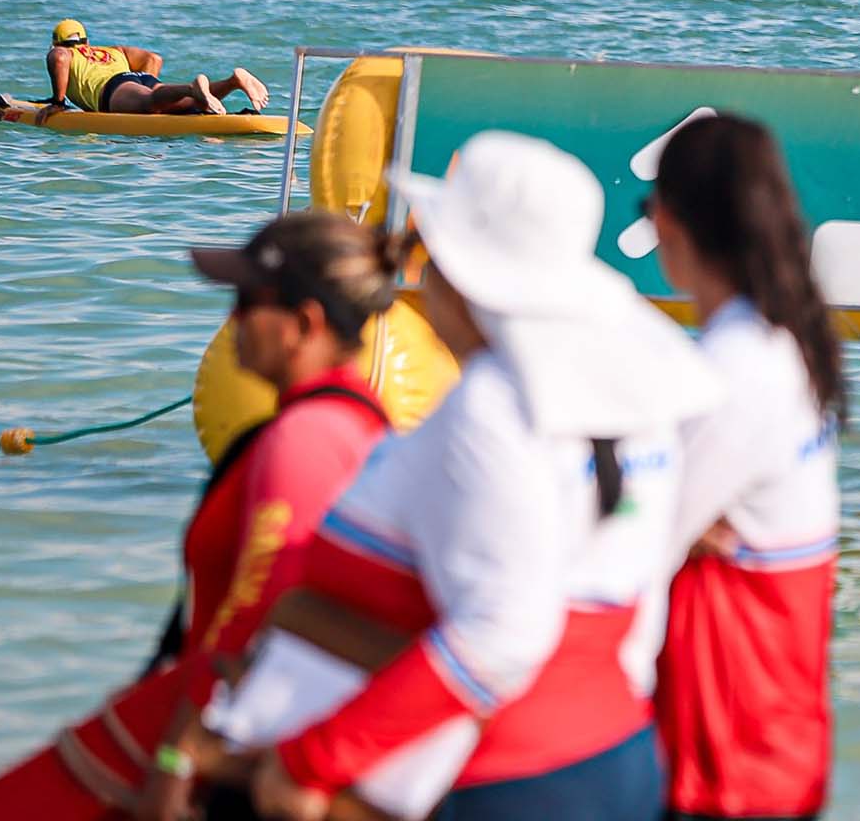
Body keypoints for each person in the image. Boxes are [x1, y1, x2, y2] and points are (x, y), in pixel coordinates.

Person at [208, 131, 721, 821]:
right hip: (612, 749)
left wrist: (315, 759)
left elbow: (504, 634)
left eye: (429, 257)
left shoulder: (493, 405)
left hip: (505, 780)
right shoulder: (631, 389)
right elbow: (633, 603)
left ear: (460, 274)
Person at [0, 212, 396, 821]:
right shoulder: (358, 423)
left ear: (305, 323)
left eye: (247, 302)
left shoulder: (304, 439)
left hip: (209, 739)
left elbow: (261, 614)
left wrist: (178, 758)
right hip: (227, 727)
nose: (231, 321)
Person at [644, 114, 845, 821]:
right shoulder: (787, 342)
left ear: (667, 222)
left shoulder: (731, 367)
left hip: (724, 745)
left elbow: (637, 546)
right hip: (777, 730)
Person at [38, 19, 271, 120]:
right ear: (86, 41)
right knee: (191, 105)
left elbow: (59, 57)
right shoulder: (112, 50)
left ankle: (191, 88)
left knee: (150, 102)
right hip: (137, 78)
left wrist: (58, 102)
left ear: (56, 43)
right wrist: (148, 85)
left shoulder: (64, 53)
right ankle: (232, 82)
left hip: (113, 89)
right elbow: (153, 58)